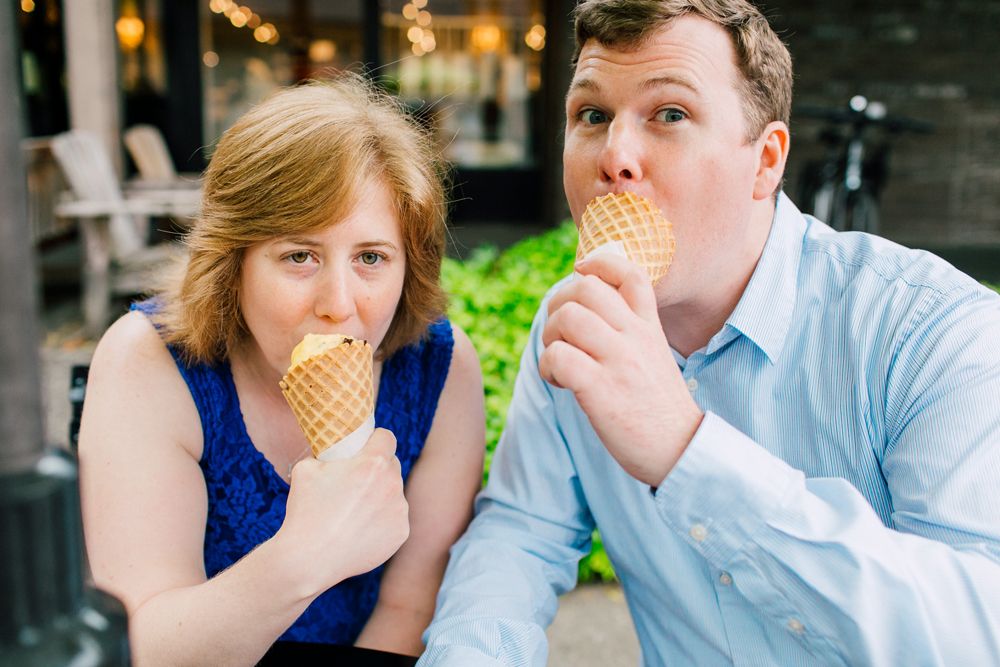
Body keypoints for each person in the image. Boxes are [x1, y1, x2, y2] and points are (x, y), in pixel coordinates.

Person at [419, 1, 1000, 665]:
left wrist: (683, 448)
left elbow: (976, 636)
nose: (614, 156)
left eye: (670, 114)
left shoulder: (933, 333)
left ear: (766, 162)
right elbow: (521, 536)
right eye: (593, 115)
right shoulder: (576, 319)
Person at [78, 75, 486, 666]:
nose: (338, 304)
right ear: (233, 259)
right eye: (299, 255)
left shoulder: (437, 369)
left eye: (371, 257)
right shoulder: (149, 362)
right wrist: (304, 556)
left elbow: (409, 607)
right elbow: (145, 645)